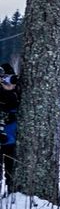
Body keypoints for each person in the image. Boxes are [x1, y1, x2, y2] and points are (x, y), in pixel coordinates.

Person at [0, 62, 19, 193]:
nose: (10, 83)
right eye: (6, 79)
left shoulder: (17, 92)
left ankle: (12, 195)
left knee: (11, 172)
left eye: (12, 78)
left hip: (11, 140)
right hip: (2, 137)